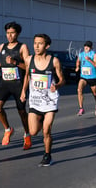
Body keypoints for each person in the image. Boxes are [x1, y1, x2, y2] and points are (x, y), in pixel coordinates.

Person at [20, 34, 65, 167]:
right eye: (35, 43)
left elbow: (63, 80)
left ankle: (47, 155)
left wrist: (56, 85)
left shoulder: (54, 61)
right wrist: (23, 91)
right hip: (35, 101)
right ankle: (40, 118)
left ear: (47, 46)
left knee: (46, 130)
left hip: (50, 101)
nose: (37, 46)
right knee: (33, 132)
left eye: (40, 43)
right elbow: (27, 76)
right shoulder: (29, 60)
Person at [0, 22, 32, 149]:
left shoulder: (23, 47)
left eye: (12, 33)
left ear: (18, 33)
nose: (10, 36)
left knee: (21, 111)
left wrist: (15, 62)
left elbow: (28, 67)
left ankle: (27, 134)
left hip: (18, 84)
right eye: (8, 33)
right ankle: (7, 129)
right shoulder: (2, 46)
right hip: (5, 82)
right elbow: (2, 64)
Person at [75, 40, 96, 116]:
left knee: (95, 93)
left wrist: (89, 60)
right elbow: (78, 61)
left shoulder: (93, 54)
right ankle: (81, 108)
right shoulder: (81, 54)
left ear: (91, 47)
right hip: (84, 76)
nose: (86, 48)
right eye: (85, 46)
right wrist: (77, 67)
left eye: (88, 46)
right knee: (79, 89)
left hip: (92, 77)